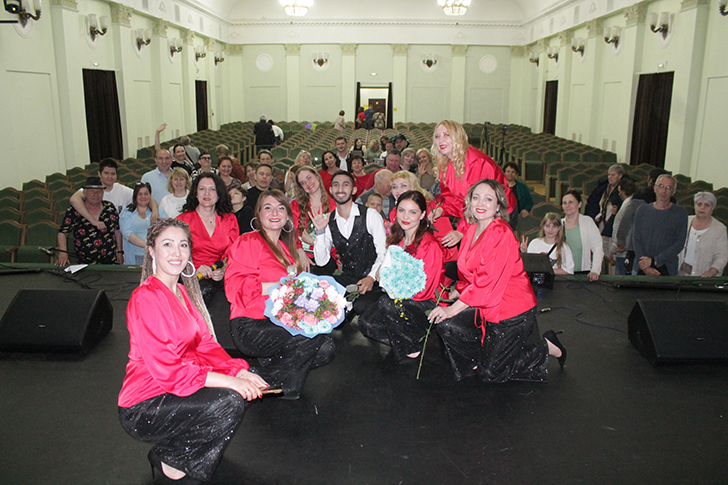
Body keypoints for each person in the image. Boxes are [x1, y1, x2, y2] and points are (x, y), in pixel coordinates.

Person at [118, 218, 268, 485]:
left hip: (176, 389)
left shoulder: (179, 291)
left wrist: (239, 372)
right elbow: (171, 371)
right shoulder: (146, 298)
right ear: (151, 251)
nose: (176, 252)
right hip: (145, 404)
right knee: (230, 400)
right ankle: (171, 457)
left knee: (240, 387)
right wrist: (231, 382)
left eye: (183, 245)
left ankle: (181, 454)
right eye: (167, 244)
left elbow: (205, 345)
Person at [430, 179, 566, 383]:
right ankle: (482, 360)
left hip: (511, 310)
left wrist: (452, 309)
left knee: (491, 374)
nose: (480, 203)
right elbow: (469, 274)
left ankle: (546, 347)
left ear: (498, 206)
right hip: (484, 306)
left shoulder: (500, 232)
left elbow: (486, 282)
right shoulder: (471, 231)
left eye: (488, 199)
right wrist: (453, 294)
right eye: (476, 197)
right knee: (446, 326)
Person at [225, 190, 335, 400]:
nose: (274, 212)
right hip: (251, 324)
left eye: (280, 208)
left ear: (287, 216)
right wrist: (282, 285)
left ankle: (262, 376)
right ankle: (285, 391)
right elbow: (235, 287)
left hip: (279, 322)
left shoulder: (285, 248)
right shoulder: (249, 241)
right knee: (309, 336)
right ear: (259, 214)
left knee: (326, 348)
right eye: (268, 207)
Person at [358, 191, 445, 362]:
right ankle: (409, 338)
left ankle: (410, 345)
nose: (405, 216)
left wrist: (392, 287)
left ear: (422, 215)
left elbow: (426, 290)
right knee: (366, 323)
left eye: (413, 212)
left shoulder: (429, 245)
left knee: (386, 304)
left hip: (424, 302)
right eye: (402, 210)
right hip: (399, 299)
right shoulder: (399, 239)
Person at [429, 120, 516, 252]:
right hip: (474, 213)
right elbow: (454, 200)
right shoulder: (444, 165)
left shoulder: (476, 162)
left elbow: (480, 204)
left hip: (499, 211)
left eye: (447, 135)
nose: (441, 140)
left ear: (458, 137)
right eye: (437, 136)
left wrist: (461, 231)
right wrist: (442, 209)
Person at [312, 171, 387, 318]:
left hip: (373, 280)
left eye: (345, 185)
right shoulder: (328, 220)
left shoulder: (370, 215)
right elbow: (321, 262)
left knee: (361, 306)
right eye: (336, 185)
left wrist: (371, 277)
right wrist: (320, 232)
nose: (340, 189)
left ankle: (352, 307)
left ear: (353, 190)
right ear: (331, 190)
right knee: (317, 288)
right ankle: (346, 308)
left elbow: (382, 253)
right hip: (348, 279)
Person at [177, 174, 239, 304]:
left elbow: (232, 253)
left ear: (219, 193)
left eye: (212, 189)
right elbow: (175, 256)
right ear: (195, 193)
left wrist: (223, 270)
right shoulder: (182, 220)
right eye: (202, 189)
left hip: (220, 277)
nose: (207, 193)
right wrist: (193, 270)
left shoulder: (229, 219)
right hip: (190, 277)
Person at [389, 170, 457, 264]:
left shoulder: (432, 209)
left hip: (435, 260)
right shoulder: (394, 213)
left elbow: (446, 244)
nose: (398, 190)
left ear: (414, 187)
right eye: (394, 187)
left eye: (403, 185)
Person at [56, 176, 123, 266]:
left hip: (110, 262)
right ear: (84, 193)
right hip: (84, 264)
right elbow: (62, 233)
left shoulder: (110, 208)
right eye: (92, 191)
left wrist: (120, 252)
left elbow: (117, 231)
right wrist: (63, 252)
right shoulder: (74, 211)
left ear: (103, 193)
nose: (95, 194)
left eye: (99, 191)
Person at [632, 174, 688, 276]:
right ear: (655, 188)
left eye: (668, 187)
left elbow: (679, 243)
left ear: (673, 192)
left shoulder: (680, 213)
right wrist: (646, 266)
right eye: (661, 186)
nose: (664, 191)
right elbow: (636, 239)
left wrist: (655, 260)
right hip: (641, 267)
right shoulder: (642, 211)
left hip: (667, 268)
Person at [290, 166, 337, 274]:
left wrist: (313, 242)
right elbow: (291, 232)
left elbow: (335, 240)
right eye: (303, 183)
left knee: (318, 268)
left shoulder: (333, 205)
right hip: (301, 251)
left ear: (317, 176)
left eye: (309, 177)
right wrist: (300, 252)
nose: (307, 183)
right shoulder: (295, 205)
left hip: (326, 254)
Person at [68, 158, 136, 231]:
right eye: (106, 173)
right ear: (99, 174)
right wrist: (93, 220)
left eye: (113, 174)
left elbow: (141, 198)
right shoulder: (91, 189)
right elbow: (74, 200)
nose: (110, 176)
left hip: (117, 231)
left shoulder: (123, 190)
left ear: (117, 176)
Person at [678, 191, 728, 277]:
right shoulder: (684, 221)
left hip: (705, 276)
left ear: (712, 209)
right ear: (694, 206)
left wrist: (712, 271)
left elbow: (722, 255)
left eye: (707, 205)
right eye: (699, 204)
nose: (702, 208)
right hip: (679, 273)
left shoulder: (720, 229)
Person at [585, 165, 624, 270]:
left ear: (620, 176)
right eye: (609, 175)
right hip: (600, 223)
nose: (610, 177)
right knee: (600, 250)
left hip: (612, 226)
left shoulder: (621, 191)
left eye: (613, 175)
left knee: (610, 254)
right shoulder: (604, 189)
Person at [120, 182, 168, 265]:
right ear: (135, 196)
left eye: (146, 194)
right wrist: (147, 245)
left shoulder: (159, 211)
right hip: (135, 257)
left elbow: (167, 229)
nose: (143, 196)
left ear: (150, 195)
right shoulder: (127, 212)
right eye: (140, 194)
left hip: (156, 255)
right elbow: (127, 233)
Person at [561, 190, 603, 281]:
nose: (567, 205)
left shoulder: (588, 222)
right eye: (564, 203)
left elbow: (598, 248)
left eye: (571, 202)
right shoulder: (559, 224)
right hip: (562, 276)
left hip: (583, 274)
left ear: (579, 204)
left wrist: (595, 270)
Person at [610, 178, 642, 275]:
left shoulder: (629, 206)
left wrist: (615, 246)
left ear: (622, 190)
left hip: (624, 250)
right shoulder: (633, 204)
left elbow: (621, 227)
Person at [503, 161, 534, 229]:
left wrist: (526, 209)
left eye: (513, 172)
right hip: (502, 217)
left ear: (516, 174)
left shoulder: (522, 187)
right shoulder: (499, 186)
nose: (510, 174)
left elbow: (529, 201)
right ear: (504, 173)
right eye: (508, 171)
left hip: (518, 217)